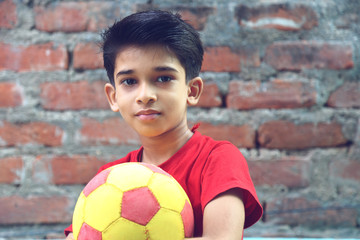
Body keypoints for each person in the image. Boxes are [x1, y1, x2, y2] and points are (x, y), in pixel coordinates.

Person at [65, 10, 262, 239]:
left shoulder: (217, 159)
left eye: (163, 78)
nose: (145, 95)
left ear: (192, 90)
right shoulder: (110, 178)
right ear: (113, 97)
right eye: (129, 81)